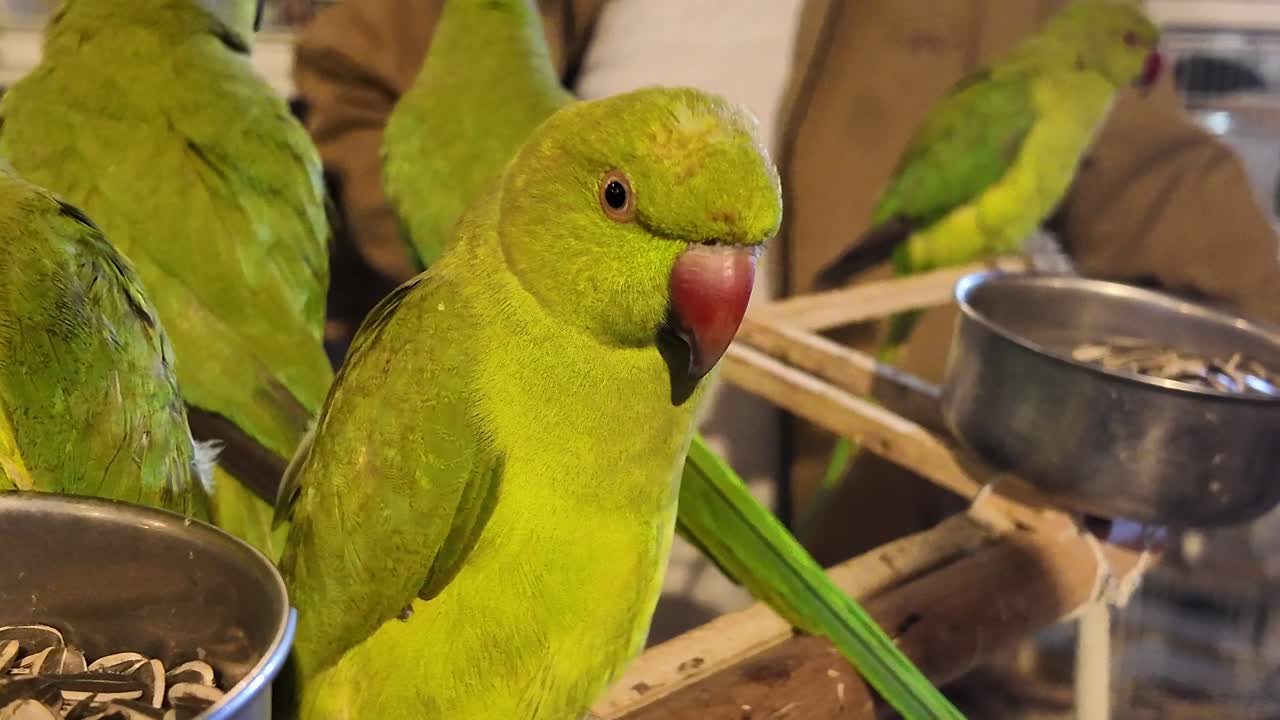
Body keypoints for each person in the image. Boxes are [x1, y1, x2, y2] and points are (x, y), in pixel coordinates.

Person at [289, 0, 1280, 639]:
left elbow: (1171, 194)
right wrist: (490, 291)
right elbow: (362, 81)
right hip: (515, 487)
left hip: (846, 517)